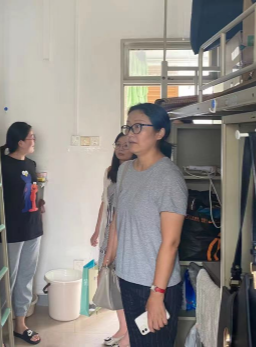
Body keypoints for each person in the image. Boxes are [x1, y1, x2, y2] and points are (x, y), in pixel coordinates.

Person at [104, 103, 187, 347]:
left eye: (138, 127)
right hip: (127, 277)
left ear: (160, 133)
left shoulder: (168, 177)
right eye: (128, 127)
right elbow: (118, 218)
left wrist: (157, 294)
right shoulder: (125, 170)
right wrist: (108, 260)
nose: (131, 134)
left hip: (155, 283)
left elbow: (171, 242)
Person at [0, 122, 45, 346]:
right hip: (9, 231)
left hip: (33, 229)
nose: (34, 140)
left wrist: (39, 205)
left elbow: (30, 194)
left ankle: (20, 324)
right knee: (6, 281)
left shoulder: (31, 164)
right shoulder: (0, 166)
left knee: (26, 278)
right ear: (20, 142)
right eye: (31, 137)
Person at [91, 133, 134, 347]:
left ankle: (129, 333)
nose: (121, 149)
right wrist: (96, 231)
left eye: (126, 145)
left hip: (126, 236)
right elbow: (104, 202)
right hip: (108, 233)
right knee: (110, 282)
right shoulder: (110, 172)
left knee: (124, 284)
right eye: (118, 144)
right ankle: (122, 328)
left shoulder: (137, 172)